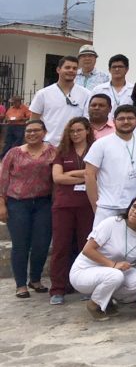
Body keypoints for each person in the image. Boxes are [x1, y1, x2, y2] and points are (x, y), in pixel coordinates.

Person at [69, 196, 136, 320]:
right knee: (115, 275)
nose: (135, 211)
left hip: (111, 273)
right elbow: (87, 250)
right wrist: (113, 264)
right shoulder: (112, 222)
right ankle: (94, 305)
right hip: (84, 272)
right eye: (134, 206)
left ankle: (106, 299)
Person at [0, 118, 54, 297]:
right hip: (17, 203)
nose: (32, 134)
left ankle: (35, 279)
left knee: (42, 243)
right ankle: (21, 284)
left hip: (43, 203)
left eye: (36, 130)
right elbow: (3, 179)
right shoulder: (14, 153)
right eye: (28, 131)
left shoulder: (53, 152)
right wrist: (1, 204)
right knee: (20, 244)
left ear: (44, 132)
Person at [48, 117, 95, 304]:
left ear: (87, 131)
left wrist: (72, 174)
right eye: (72, 131)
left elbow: (98, 173)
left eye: (79, 130)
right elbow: (58, 178)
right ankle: (58, 288)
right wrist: (85, 177)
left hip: (88, 204)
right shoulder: (62, 152)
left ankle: (87, 286)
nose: (75, 134)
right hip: (64, 205)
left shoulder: (95, 149)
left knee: (87, 246)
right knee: (61, 246)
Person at [85, 105, 136, 226]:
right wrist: (95, 205)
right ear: (114, 121)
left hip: (135, 207)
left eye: (130, 118)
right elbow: (89, 174)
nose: (126, 121)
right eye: (121, 118)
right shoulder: (101, 143)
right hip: (107, 206)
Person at [29, 56, 91, 146]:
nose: (71, 70)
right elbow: (34, 120)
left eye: (74, 68)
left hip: (74, 146)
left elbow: (87, 121)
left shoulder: (86, 94)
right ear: (58, 70)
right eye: (67, 67)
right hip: (48, 145)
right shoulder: (43, 94)